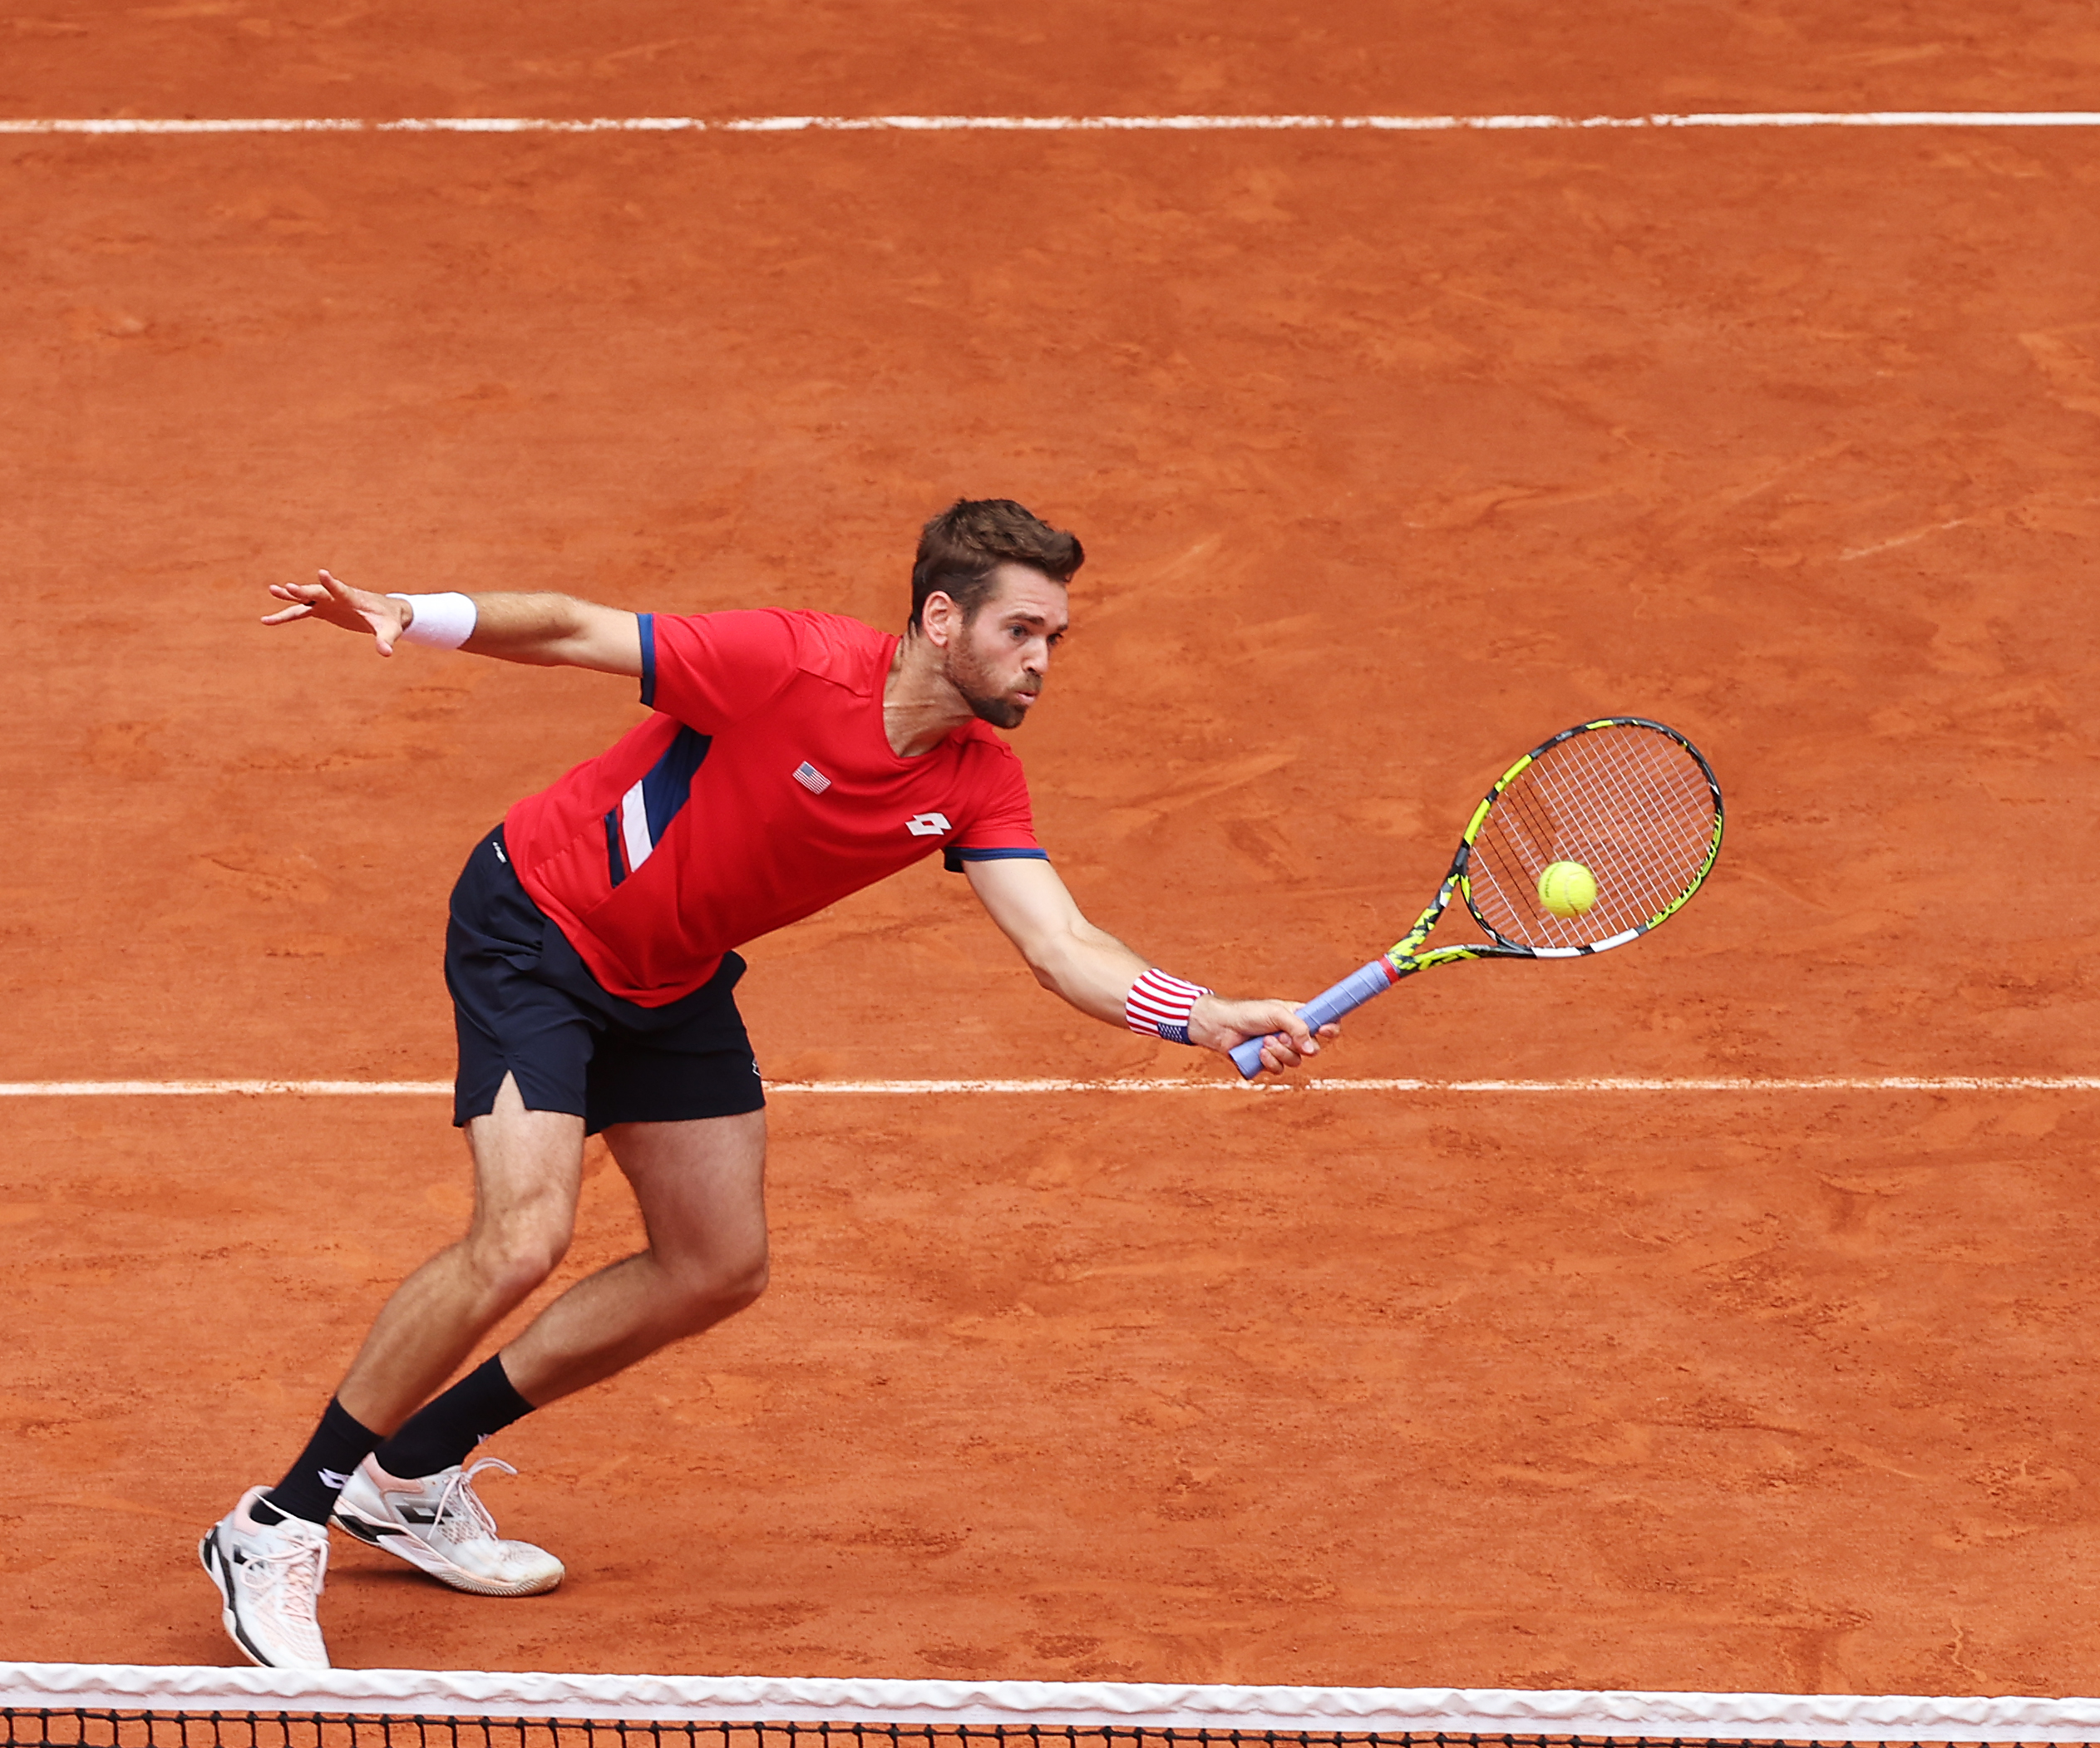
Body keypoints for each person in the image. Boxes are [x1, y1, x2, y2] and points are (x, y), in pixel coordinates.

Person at [202, 499, 1330, 1668]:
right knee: (523, 1235)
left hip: (668, 976)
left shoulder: (980, 778)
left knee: (715, 1264)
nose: (1042, 661)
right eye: (1022, 631)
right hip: (536, 926)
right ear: (941, 619)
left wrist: (1196, 1013)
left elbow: (1062, 946)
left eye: (1056, 638)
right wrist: (412, 613)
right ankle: (279, 1520)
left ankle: (413, 1470)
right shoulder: (788, 665)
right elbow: (578, 629)